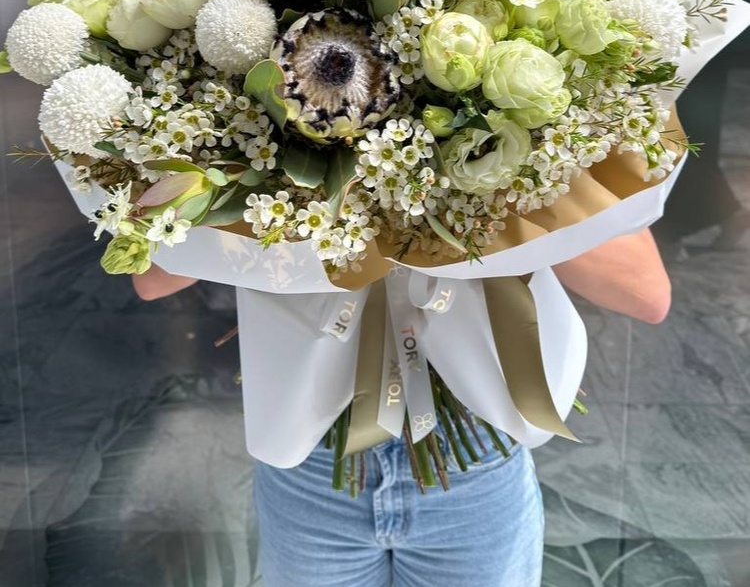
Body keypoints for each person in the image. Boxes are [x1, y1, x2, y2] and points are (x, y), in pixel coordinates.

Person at [133, 228, 669, 587]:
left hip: (473, 457)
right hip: (313, 456)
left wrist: (493, 192)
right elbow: (154, 278)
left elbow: (646, 293)